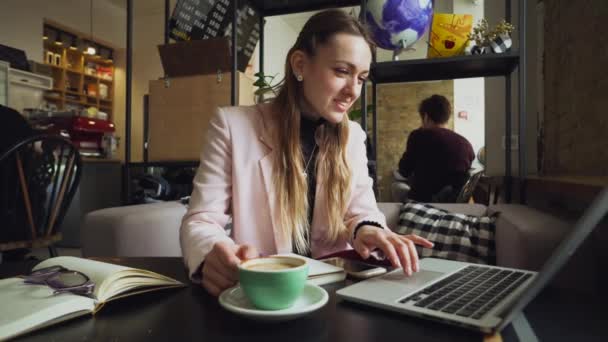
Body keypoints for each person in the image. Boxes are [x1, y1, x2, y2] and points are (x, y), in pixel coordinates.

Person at [180, 9, 434, 296]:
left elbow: (361, 212)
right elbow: (201, 220)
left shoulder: (352, 137)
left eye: (361, 78)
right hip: (267, 292)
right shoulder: (232, 127)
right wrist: (213, 254)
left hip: (336, 291)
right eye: (342, 71)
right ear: (300, 64)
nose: (353, 91)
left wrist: (367, 229)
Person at [397, 95, 475, 202]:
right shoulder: (466, 144)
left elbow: (403, 170)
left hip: (423, 203)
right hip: (454, 205)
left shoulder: (418, 136)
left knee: (397, 187)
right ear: (447, 117)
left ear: (425, 117)